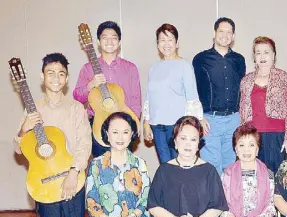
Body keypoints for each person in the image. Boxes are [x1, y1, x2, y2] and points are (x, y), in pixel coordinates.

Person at [13, 53, 92, 217]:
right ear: (42, 77)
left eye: (61, 74)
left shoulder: (76, 108)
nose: (56, 78)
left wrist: (74, 172)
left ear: (66, 79)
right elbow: (18, 148)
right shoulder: (32, 109)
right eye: (50, 73)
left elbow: (84, 144)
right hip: (45, 185)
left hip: (73, 180)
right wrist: (24, 128)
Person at [147, 116, 229, 217]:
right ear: (175, 142)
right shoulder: (164, 170)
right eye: (183, 138)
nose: (187, 144)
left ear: (199, 143)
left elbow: (217, 206)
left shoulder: (209, 170)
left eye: (193, 139)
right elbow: (154, 206)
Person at [86, 112, 151, 217]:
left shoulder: (140, 164)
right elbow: (91, 200)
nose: (120, 137)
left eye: (125, 132)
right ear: (107, 134)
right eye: (115, 132)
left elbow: (145, 198)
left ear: (132, 135)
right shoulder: (97, 165)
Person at [74, 20, 142, 157]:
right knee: (101, 169)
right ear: (98, 42)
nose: (109, 41)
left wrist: (133, 122)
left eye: (114, 38)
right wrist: (90, 85)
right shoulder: (87, 69)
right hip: (98, 124)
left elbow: (136, 100)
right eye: (105, 38)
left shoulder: (130, 68)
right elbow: (77, 96)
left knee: (124, 169)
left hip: (125, 124)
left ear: (119, 42)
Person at [193, 17, 246, 175]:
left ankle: (228, 200)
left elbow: (242, 89)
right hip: (210, 120)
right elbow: (193, 90)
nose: (225, 35)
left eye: (229, 32)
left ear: (233, 36)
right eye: (221, 31)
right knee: (211, 166)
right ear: (214, 33)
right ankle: (213, 200)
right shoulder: (200, 59)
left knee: (231, 166)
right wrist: (199, 117)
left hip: (233, 119)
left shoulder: (239, 60)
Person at [220, 124, 276, 217]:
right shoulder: (227, 174)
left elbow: (271, 206)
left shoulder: (268, 174)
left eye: (251, 145)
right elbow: (221, 205)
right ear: (235, 149)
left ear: (257, 149)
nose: (246, 150)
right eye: (241, 145)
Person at [143, 23, 202, 163]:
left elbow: (192, 97)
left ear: (177, 43)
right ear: (157, 44)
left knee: (180, 163)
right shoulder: (154, 68)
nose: (166, 44)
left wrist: (195, 125)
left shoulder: (184, 66)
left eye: (170, 39)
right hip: (156, 126)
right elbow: (148, 98)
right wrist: (146, 123)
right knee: (165, 165)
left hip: (177, 126)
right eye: (162, 40)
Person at [239, 36, 287, 173]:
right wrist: (243, 137)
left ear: (273, 55)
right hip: (253, 135)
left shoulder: (283, 77)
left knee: (277, 175)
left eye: (266, 52)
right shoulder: (246, 80)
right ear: (254, 57)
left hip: (277, 134)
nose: (262, 56)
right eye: (258, 52)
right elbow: (242, 110)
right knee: (256, 175)